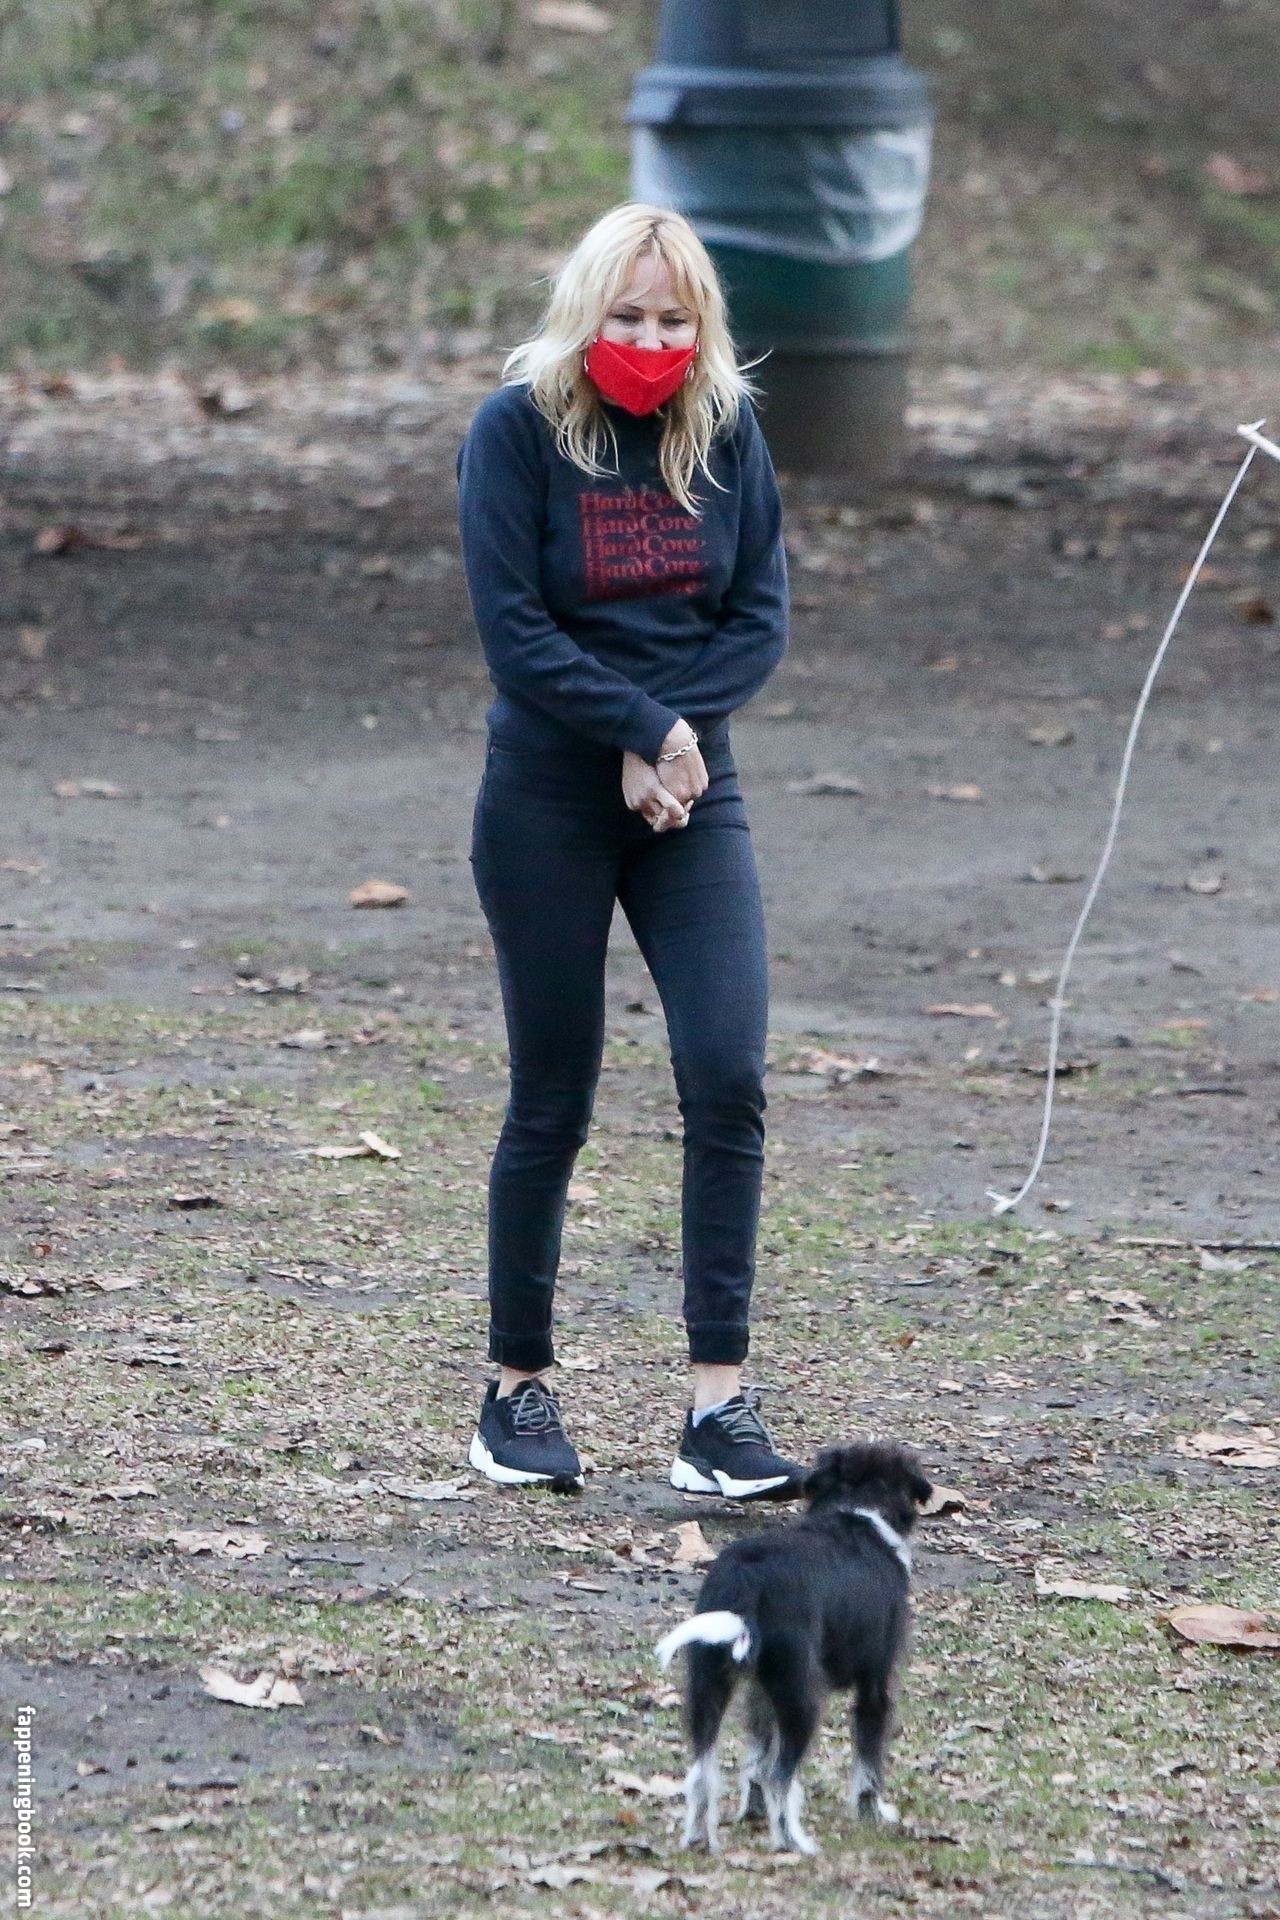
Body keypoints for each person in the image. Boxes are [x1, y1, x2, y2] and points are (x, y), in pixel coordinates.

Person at [455, 201, 799, 1501]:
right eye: (628, 316)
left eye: (673, 320)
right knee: (555, 1091)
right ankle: (515, 1391)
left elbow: (758, 618)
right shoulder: (516, 434)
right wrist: (637, 727)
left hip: (692, 796)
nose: (650, 341)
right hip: (546, 798)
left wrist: (673, 738)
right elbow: (515, 632)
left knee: (728, 1071)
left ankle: (718, 1408)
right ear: (583, 313)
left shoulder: (728, 433)